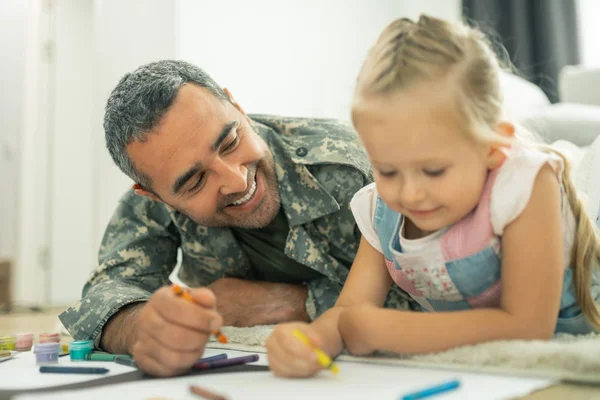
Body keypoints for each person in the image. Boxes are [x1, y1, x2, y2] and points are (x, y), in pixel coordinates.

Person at [266, 15, 600, 378]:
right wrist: (312, 340)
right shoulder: (380, 210)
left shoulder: (523, 183)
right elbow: (349, 315)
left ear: (493, 148)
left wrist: (385, 330)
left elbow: (528, 326)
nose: (409, 193)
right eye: (388, 171)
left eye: (434, 170)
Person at [58, 60, 412, 377]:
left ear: (237, 107)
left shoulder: (356, 169)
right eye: (196, 181)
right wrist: (140, 327)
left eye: (229, 142)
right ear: (154, 195)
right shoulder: (159, 198)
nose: (236, 180)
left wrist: (292, 302)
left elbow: (437, 296)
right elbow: (104, 293)